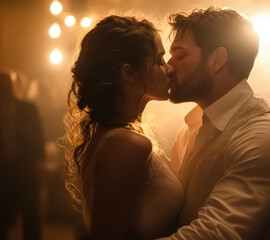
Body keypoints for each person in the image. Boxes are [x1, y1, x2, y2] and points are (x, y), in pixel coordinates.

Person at [163, 7, 270, 240]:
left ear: (217, 60)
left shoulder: (268, 132)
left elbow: (217, 233)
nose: (169, 66)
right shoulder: (191, 128)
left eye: (180, 55)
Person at [63, 15, 184, 239]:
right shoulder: (126, 145)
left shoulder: (113, 136)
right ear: (129, 73)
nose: (169, 69)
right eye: (159, 60)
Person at [0, 70, 45, 240]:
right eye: (3, 85)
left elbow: (38, 135)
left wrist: (39, 161)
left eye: (8, 85)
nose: (6, 88)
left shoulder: (28, 109)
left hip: (23, 167)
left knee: (29, 211)